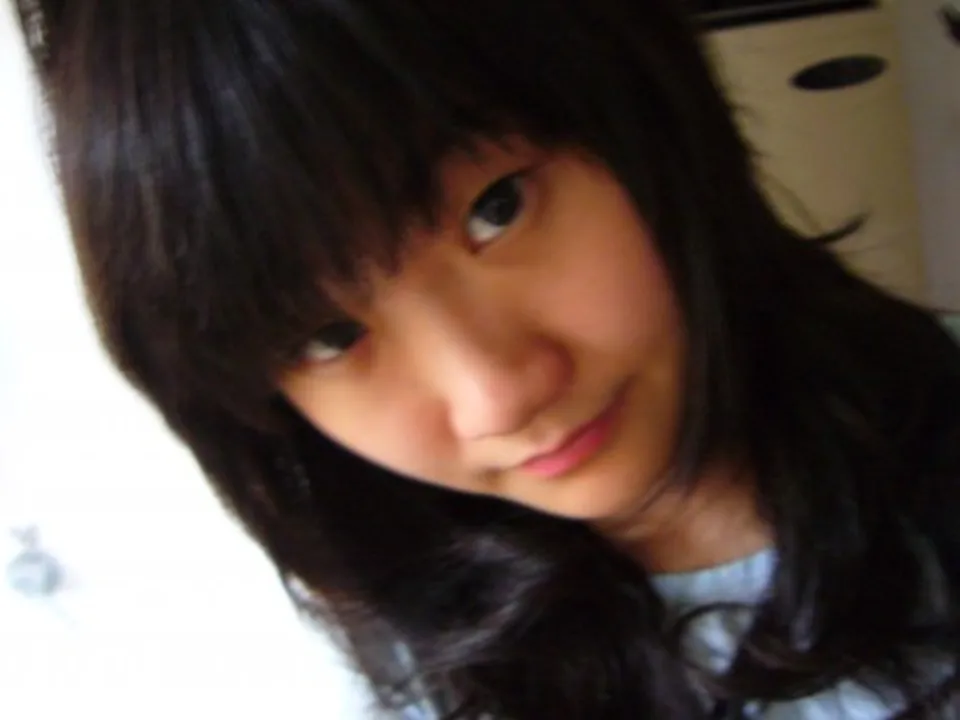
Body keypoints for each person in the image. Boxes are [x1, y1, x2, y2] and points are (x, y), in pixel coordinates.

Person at [14, 0, 960, 717]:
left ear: (640, 107)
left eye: (496, 209)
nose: (495, 396)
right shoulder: (419, 658)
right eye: (328, 338)